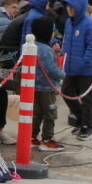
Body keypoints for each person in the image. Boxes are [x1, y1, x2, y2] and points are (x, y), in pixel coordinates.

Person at [59, 0, 92, 141]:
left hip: (85, 68)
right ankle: (81, 118)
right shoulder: (69, 23)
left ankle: (87, 126)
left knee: (87, 97)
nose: (68, 9)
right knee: (66, 91)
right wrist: (63, 57)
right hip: (71, 67)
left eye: (71, 6)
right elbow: (66, 42)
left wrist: (84, 62)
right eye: (67, 6)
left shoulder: (88, 24)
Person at [27, 17, 65, 152]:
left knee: (36, 113)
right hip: (47, 88)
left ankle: (32, 137)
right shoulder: (47, 50)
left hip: (33, 87)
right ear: (49, 33)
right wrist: (64, 75)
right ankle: (47, 140)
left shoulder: (31, 47)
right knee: (50, 114)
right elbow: (51, 70)